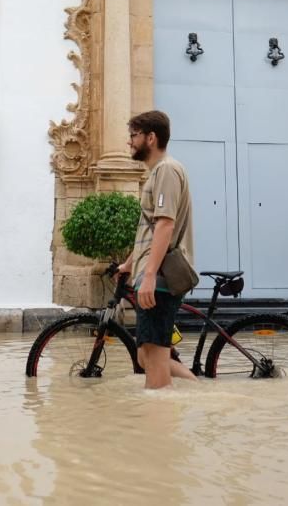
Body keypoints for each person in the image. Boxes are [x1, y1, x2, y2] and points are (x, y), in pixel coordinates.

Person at [117, 110, 198, 389]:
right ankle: (200, 391)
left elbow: (165, 224)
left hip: (160, 279)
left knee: (154, 359)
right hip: (153, 275)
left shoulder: (166, 170)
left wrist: (149, 275)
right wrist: (130, 264)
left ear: (151, 138)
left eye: (133, 136)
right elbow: (150, 229)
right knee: (145, 356)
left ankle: (159, 424)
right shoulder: (158, 173)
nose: (129, 142)